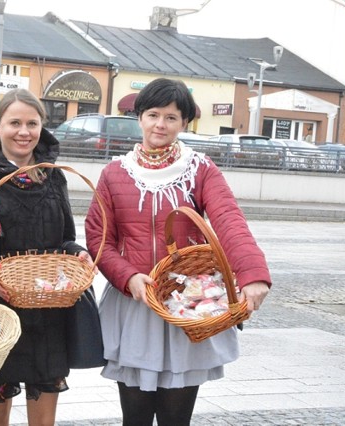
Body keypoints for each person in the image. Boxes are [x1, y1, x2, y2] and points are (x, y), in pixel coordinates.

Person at [84, 78, 271, 426]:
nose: (160, 125)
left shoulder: (199, 168)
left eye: (171, 117)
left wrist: (253, 274)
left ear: (184, 122)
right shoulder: (114, 173)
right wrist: (128, 277)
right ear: (139, 117)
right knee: (135, 417)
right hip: (135, 306)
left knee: (176, 418)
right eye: (153, 114)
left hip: (189, 304)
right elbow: (99, 239)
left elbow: (228, 218)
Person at [0, 88, 95, 426]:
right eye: (14, 123)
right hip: (0, 301)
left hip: (47, 301)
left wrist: (79, 253)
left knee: (44, 402)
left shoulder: (53, 174)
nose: (24, 132)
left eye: (32, 123)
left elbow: (65, 238)